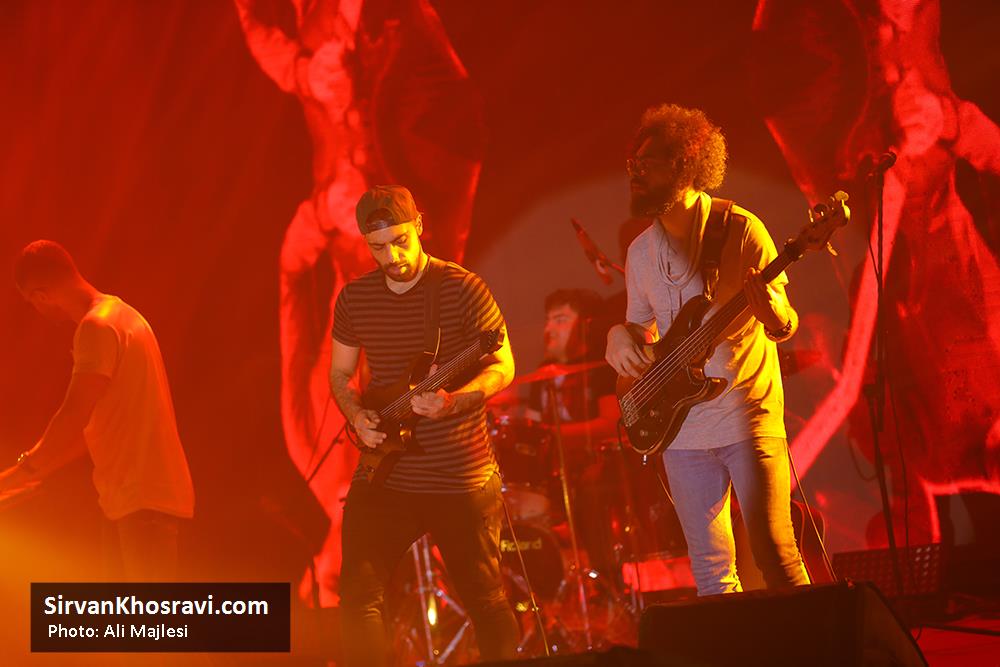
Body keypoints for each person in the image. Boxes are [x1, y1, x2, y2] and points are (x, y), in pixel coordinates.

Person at [605, 104, 810, 595]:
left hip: (747, 415)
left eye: (647, 164)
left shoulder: (740, 229)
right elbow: (640, 330)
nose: (635, 174)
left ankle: (819, 634)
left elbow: (785, 322)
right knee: (712, 571)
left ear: (684, 166)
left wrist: (772, 314)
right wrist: (618, 336)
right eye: (633, 163)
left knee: (775, 552)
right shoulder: (639, 252)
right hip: (680, 429)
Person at [329, 185, 519, 665]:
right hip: (387, 472)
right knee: (358, 596)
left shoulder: (462, 287)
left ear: (419, 226)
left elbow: (504, 365)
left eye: (400, 241)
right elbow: (340, 374)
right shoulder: (355, 298)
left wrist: (456, 401)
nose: (392, 257)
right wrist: (357, 415)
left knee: (486, 600)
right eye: (378, 247)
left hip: (459, 474)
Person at [0, 240, 195, 581]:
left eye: (32, 303)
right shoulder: (124, 316)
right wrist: (28, 477)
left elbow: (73, 415)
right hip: (133, 501)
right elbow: (88, 432)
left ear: (41, 296)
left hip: (141, 501)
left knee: (149, 615)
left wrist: (19, 472)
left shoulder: (95, 327)